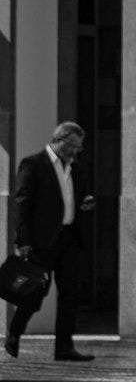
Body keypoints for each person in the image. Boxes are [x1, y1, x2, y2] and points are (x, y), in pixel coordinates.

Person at [5, 122, 95, 362]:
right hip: (40, 242)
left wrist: (86, 202)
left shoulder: (76, 169)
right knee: (34, 293)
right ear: (59, 140)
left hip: (69, 239)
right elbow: (22, 204)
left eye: (78, 147)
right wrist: (23, 240)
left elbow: (80, 195)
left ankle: (64, 349)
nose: (75, 151)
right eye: (72, 145)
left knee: (70, 295)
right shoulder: (33, 165)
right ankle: (14, 334)